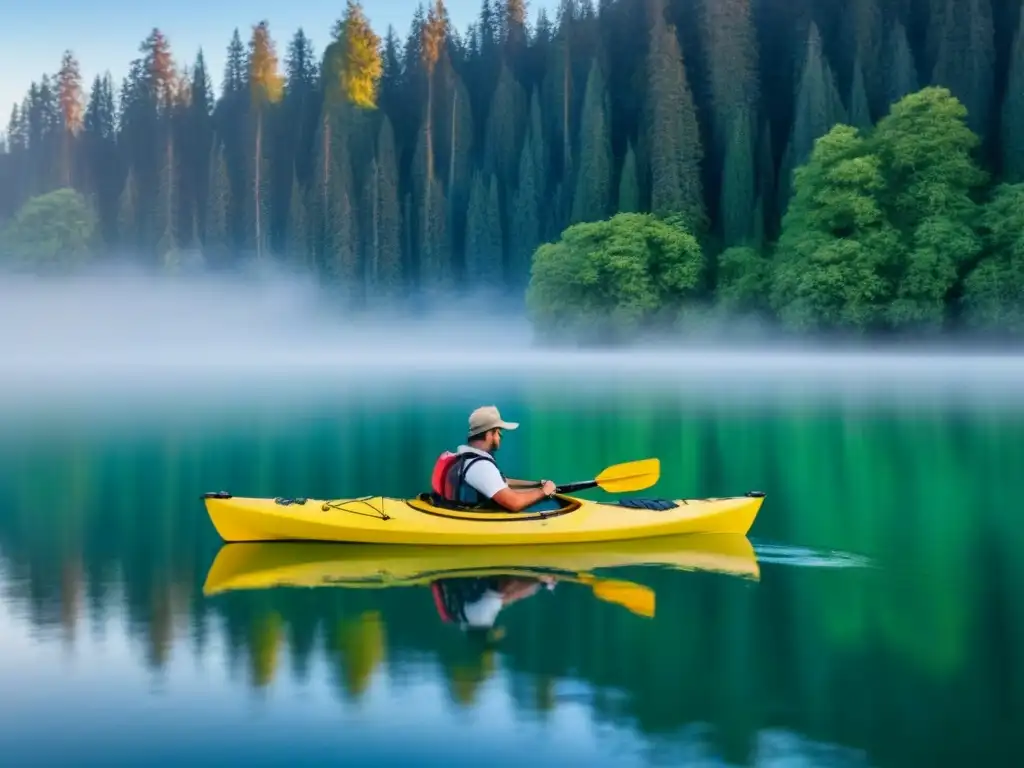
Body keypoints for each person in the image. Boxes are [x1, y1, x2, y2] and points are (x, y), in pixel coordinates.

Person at [430, 405, 559, 512]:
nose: (500, 436)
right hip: (477, 524)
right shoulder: (481, 467)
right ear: (489, 434)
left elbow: (500, 481)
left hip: (453, 509)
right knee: (553, 506)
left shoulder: (465, 457)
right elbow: (514, 503)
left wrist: (536, 484)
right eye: (498, 432)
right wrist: (544, 491)